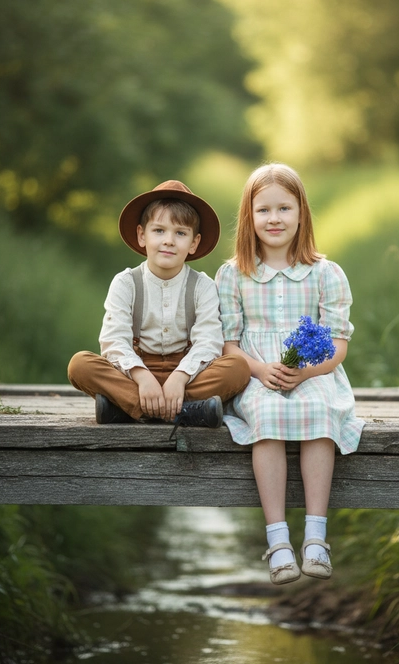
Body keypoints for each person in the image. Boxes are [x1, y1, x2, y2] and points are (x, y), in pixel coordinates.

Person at [215, 163, 365, 585]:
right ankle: (278, 541)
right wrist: (260, 369)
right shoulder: (233, 275)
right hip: (255, 372)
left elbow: (338, 344)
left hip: (313, 373)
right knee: (266, 416)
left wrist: (306, 373)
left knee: (320, 411)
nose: (275, 218)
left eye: (285, 207)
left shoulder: (324, 272)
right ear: (249, 216)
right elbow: (229, 345)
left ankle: (316, 538)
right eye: (264, 210)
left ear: (302, 214)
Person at [68, 180, 251, 433]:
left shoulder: (202, 286)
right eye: (159, 231)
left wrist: (179, 377)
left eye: (180, 233)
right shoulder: (126, 283)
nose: (169, 241)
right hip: (135, 373)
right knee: (80, 365)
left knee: (238, 368)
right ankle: (185, 411)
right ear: (142, 235)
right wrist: (142, 377)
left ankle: (126, 409)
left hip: (188, 376)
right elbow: (114, 341)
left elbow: (208, 341)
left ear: (194, 243)